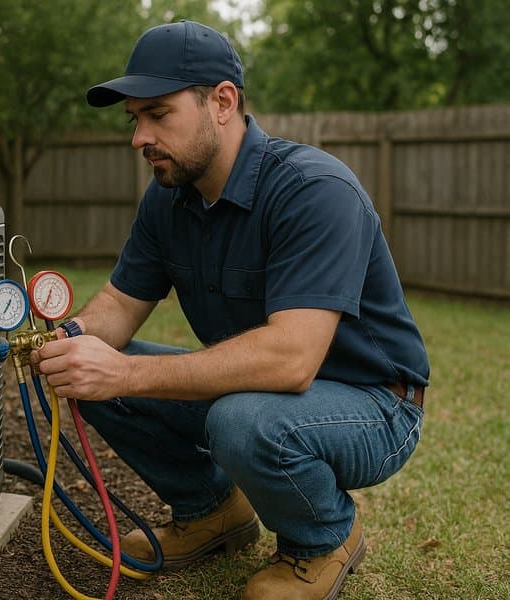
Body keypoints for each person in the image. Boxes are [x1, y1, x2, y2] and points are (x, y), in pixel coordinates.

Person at [28, 20, 429, 600]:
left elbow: (291, 361)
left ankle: (323, 541)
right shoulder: (168, 198)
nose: (138, 137)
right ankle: (211, 513)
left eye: (158, 114)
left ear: (221, 101)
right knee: (89, 370)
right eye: (134, 119)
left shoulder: (313, 190)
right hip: (255, 392)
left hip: (375, 404)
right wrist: (70, 335)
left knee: (239, 420)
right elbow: (118, 304)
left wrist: (125, 371)